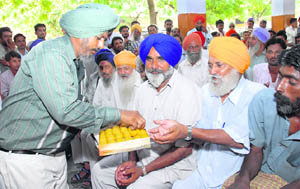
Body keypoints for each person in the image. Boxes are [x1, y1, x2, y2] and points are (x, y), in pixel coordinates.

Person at [0, 4, 145, 189]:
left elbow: (80, 105)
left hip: (52, 155)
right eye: (99, 38)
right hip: (25, 161)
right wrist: (120, 115)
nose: (101, 45)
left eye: (105, 39)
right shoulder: (51, 55)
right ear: (81, 33)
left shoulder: (76, 62)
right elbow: (67, 111)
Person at [149, 37, 265, 189]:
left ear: (237, 67)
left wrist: (186, 131)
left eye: (219, 65)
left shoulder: (256, 94)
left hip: (233, 177)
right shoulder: (206, 91)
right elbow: (198, 135)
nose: (212, 71)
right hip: (201, 174)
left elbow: (236, 139)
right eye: (210, 65)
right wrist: (174, 131)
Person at [92, 33, 202, 189]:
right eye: (149, 59)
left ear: (172, 61)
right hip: (142, 156)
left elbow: (184, 149)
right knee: (99, 172)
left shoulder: (188, 91)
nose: (154, 66)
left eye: (161, 59)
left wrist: (143, 170)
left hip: (174, 166)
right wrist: (131, 160)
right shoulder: (143, 90)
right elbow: (134, 129)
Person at [225, 45, 300, 189]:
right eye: (280, 77)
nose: (279, 87)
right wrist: (243, 178)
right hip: (262, 173)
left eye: (291, 82)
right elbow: (255, 151)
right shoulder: (264, 101)